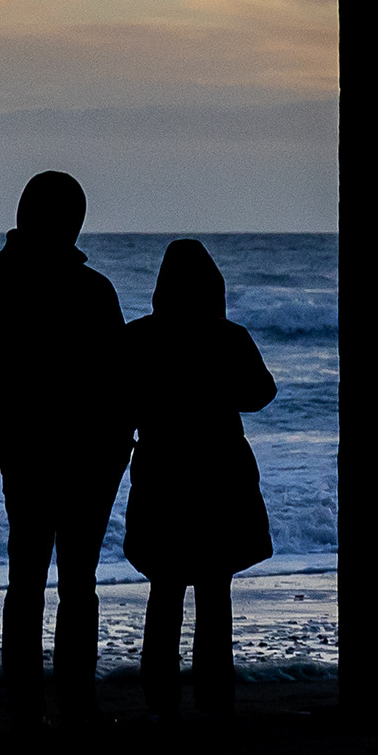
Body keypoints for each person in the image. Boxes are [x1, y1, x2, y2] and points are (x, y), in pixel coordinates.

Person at [0, 172, 133, 732]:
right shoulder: (93, 290)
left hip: (33, 458)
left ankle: (27, 704)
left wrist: (8, 448)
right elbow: (119, 384)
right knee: (76, 584)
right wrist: (114, 451)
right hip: (84, 461)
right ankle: (74, 702)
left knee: (28, 582)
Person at [120, 239, 277, 721]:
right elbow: (260, 393)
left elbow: (116, 403)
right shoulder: (228, 336)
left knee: (164, 591)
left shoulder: (137, 337)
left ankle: (160, 699)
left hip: (161, 473)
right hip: (219, 475)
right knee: (215, 592)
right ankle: (215, 699)